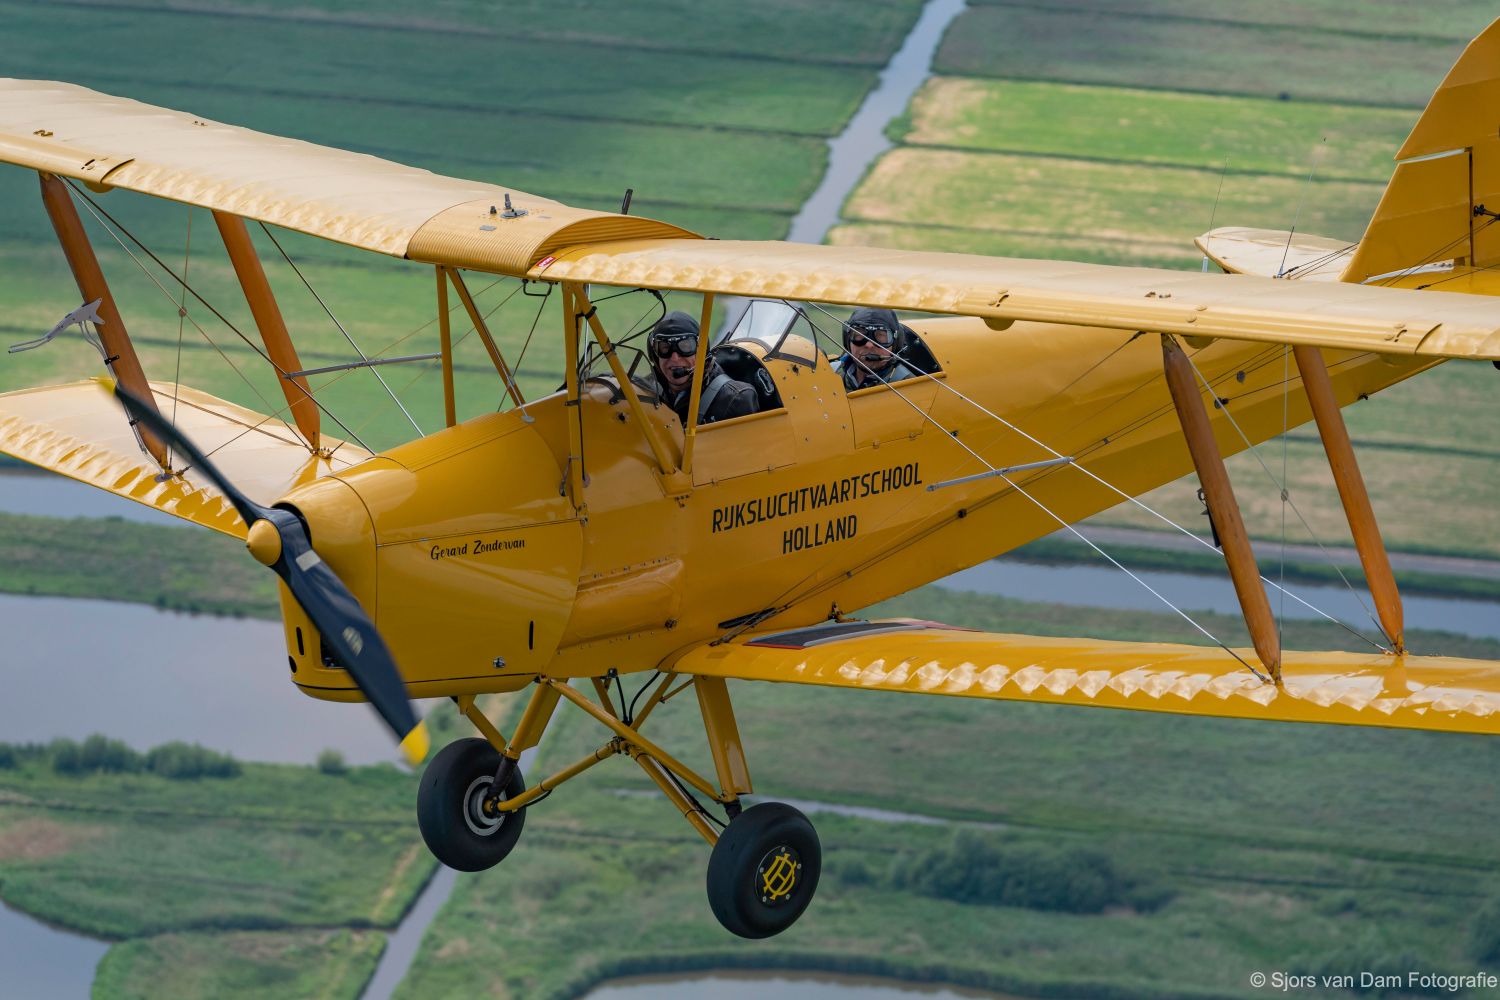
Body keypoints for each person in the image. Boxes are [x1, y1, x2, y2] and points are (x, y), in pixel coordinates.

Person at [646, 311, 758, 426]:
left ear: (701, 350)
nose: (674, 358)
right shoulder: (645, 390)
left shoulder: (735, 400)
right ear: (654, 353)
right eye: (665, 348)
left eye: (685, 347)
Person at [834, 307, 921, 392]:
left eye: (880, 336)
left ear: (896, 342)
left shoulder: (911, 389)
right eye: (859, 334)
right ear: (847, 338)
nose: (869, 345)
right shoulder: (830, 373)